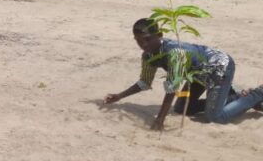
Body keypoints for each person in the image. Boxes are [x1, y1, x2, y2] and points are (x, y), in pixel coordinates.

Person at [103, 18, 263, 128]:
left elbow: (172, 88)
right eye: (138, 40)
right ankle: (232, 99)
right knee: (181, 108)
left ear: (159, 35)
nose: (143, 44)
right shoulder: (148, 56)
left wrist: (160, 119)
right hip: (196, 76)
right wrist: (120, 96)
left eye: (147, 39)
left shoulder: (175, 54)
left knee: (215, 117)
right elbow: (144, 83)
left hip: (218, 68)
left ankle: (256, 94)